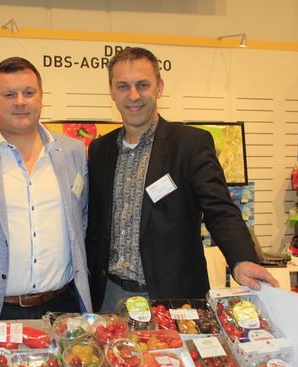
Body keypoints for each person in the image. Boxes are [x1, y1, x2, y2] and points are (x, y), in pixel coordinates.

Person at [86, 47, 278, 312]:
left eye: (142, 85)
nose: (133, 95)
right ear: (112, 91)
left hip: (172, 297)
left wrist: (241, 259)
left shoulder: (190, 144)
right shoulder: (100, 150)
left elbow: (219, 210)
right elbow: (95, 225)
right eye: (123, 86)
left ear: (159, 87)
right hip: (110, 296)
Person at [0, 57, 91, 320]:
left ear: (41, 97)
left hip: (65, 305)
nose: (20, 102)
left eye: (29, 92)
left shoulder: (73, 151)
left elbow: (82, 218)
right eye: (9, 94)